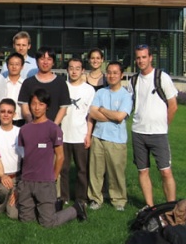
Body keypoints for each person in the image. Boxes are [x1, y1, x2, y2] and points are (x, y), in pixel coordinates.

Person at [17, 89, 87, 227]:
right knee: (26, 221)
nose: (37, 107)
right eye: (34, 104)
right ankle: (52, 206)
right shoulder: (24, 130)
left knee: (48, 223)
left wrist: (53, 177)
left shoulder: (53, 129)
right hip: (26, 182)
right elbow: (24, 154)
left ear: (47, 107)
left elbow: (60, 156)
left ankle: (76, 209)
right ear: (29, 105)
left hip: (45, 182)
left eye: (41, 104)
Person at [129, 44, 178, 208]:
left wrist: (164, 126)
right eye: (138, 57)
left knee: (165, 171)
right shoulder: (133, 80)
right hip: (138, 132)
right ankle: (150, 207)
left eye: (144, 57)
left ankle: (171, 207)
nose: (141, 60)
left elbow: (173, 105)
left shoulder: (161, 77)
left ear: (150, 58)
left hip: (158, 133)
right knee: (142, 171)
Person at [87, 61, 132, 211]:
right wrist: (111, 115)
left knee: (116, 173)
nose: (111, 76)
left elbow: (120, 117)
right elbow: (92, 112)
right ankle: (95, 198)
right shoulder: (100, 92)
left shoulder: (126, 95)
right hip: (98, 137)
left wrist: (103, 110)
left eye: (115, 73)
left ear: (121, 75)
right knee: (96, 171)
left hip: (116, 140)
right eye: (109, 72)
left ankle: (118, 200)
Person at [59, 58, 95, 204]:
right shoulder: (62, 87)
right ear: (67, 70)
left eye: (77, 68)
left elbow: (90, 115)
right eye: (71, 68)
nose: (74, 71)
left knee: (82, 170)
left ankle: (81, 198)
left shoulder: (89, 90)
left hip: (80, 135)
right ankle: (64, 197)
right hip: (63, 135)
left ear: (82, 71)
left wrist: (88, 134)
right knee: (64, 169)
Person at [18, 46, 70, 125]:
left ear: (53, 62)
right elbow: (24, 107)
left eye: (49, 59)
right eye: (42, 59)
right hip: (32, 128)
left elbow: (63, 108)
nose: (45, 62)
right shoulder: (28, 82)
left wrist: (53, 127)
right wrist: (32, 123)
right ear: (37, 61)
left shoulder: (61, 82)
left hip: (53, 130)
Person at [0, 52, 26, 127]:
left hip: (21, 121)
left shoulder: (25, 84)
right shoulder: (1, 83)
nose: (14, 67)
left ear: (22, 66)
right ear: (7, 66)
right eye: (11, 64)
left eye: (17, 64)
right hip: (3, 120)